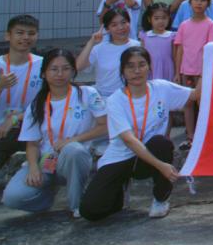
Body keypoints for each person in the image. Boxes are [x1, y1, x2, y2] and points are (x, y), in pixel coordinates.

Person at [80, 47, 201, 220]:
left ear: (149, 67)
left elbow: (195, 95)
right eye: (130, 66)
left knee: (162, 143)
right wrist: (161, 166)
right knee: (90, 211)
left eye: (141, 65)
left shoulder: (161, 88)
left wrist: (207, 65)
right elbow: (129, 140)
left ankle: (161, 199)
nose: (136, 71)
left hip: (151, 155)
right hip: (121, 157)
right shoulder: (115, 100)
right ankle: (119, 194)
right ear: (122, 70)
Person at [3, 49, 106, 217]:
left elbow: (105, 125)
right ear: (44, 73)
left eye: (65, 68)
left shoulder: (87, 94)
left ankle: (76, 205)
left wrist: (73, 140)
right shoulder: (37, 104)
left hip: (77, 159)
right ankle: (47, 197)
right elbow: (32, 143)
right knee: (13, 198)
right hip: (46, 162)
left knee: (73, 150)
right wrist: (33, 168)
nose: (60, 74)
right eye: (54, 69)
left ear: (73, 71)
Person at [0, 15, 42, 186]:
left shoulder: (44, 66)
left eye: (31, 33)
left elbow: (50, 104)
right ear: (8, 36)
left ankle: (16, 166)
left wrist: (15, 118)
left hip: (32, 129)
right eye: (20, 33)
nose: (26, 37)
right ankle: (1, 165)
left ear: (37, 36)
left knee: (46, 166)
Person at [173, 0, 213, 147]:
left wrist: (205, 73)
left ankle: (206, 135)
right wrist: (178, 72)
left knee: (202, 102)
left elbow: (210, 49)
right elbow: (180, 49)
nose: (199, 3)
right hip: (186, 70)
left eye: (203, 0)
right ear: (190, 2)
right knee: (188, 103)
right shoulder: (184, 25)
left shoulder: (210, 24)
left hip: (202, 72)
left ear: (208, 3)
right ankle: (190, 136)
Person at [77, 9, 140, 99]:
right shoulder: (99, 49)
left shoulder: (138, 46)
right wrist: (91, 42)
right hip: (104, 98)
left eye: (123, 22)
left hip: (129, 97)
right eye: (114, 25)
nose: (120, 27)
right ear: (107, 29)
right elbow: (78, 67)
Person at [139, 4, 176, 81]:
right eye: (156, 18)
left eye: (164, 18)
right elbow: (142, 55)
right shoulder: (145, 35)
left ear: (169, 19)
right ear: (149, 19)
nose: (160, 21)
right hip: (151, 69)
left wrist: (176, 73)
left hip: (167, 68)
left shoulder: (172, 36)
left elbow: (174, 56)